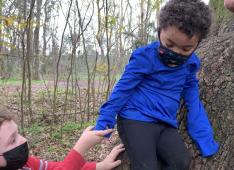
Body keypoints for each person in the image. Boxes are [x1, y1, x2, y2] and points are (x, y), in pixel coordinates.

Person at [94, 0, 219, 169]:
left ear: (197, 44)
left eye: (185, 49)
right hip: (135, 118)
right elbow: (123, 89)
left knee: (181, 162)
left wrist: (204, 137)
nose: (175, 52)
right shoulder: (145, 57)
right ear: (160, 31)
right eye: (169, 44)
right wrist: (105, 120)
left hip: (165, 123)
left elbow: (192, 99)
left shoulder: (190, 65)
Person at [0, 107, 125, 170]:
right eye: (12, 140)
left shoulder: (26, 163)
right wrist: (81, 148)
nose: (23, 140)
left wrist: (99, 166)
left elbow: (56, 168)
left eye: (18, 133)